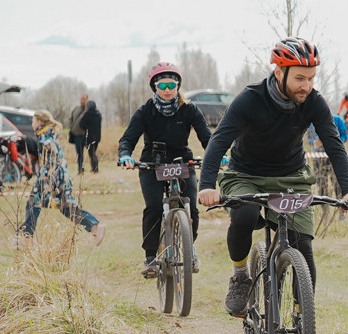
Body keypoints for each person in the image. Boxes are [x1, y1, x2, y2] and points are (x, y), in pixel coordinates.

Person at [197, 40, 348, 318]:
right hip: (245, 174)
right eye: (299, 78)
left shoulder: (314, 102)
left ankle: (302, 321)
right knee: (245, 216)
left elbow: (334, 145)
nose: (306, 86)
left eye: (311, 78)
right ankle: (240, 276)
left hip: (291, 176)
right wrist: (206, 185)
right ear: (279, 73)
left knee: (304, 247)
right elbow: (218, 141)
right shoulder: (250, 99)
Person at [115, 62, 212, 276]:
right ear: (154, 87)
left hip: (181, 161)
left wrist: (218, 155)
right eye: (162, 85)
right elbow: (128, 138)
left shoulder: (189, 109)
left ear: (178, 85)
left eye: (172, 84)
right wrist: (125, 155)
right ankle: (150, 257)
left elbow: (206, 136)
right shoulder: (145, 111)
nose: (167, 89)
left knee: (192, 208)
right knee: (154, 208)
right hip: (152, 162)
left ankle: (190, 249)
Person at [22, 110, 102, 242]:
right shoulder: (49, 133)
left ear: (40, 122)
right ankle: (95, 226)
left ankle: (25, 236)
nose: (32, 123)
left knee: (33, 201)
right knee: (66, 207)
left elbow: (51, 155)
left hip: (52, 176)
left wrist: (46, 176)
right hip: (62, 175)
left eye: (33, 121)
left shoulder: (44, 136)